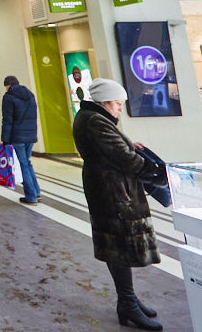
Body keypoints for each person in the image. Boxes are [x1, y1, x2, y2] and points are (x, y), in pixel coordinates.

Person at [73, 77, 163, 331]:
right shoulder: (95, 121)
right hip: (113, 191)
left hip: (106, 187)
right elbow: (122, 158)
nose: (120, 108)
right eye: (117, 103)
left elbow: (110, 148)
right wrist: (155, 172)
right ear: (104, 101)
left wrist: (129, 144)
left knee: (115, 244)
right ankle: (127, 302)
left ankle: (128, 299)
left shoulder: (91, 117)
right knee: (120, 244)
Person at [1, 75, 40, 204]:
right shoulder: (30, 95)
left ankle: (31, 196)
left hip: (18, 137)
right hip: (31, 136)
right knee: (27, 163)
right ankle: (37, 192)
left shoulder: (8, 97)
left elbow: (7, 120)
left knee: (23, 165)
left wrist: (5, 139)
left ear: (8, 85)